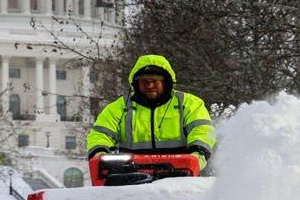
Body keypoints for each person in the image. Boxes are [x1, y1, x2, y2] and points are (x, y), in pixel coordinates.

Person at [86, 54, 215, 172]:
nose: (150, 85)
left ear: (166, 82)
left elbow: (202, 130)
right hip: (129, 175)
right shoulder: (120, 107)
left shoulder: (189, 104)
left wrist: (197, 155)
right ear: (136, 83)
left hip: (180, 173)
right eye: (144, 81)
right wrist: (99, 153)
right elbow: (100, 133)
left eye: (155, 80)